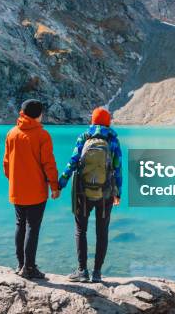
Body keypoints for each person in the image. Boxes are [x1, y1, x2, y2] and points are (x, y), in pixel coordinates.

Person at [58, 107, 122, 283]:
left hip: (82, 192)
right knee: (102, 232)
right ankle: (97, 273)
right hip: (106, 192)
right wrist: (118, 193)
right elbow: (117, 168)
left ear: (93, 121)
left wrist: (61, 183)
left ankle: (82, 271)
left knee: (81, 230)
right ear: (108, 122)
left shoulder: (84, 137)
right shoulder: (113, 140)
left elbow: (72, 162)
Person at [3, 99, 60, 279]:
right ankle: (29, 268)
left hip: (17, 190)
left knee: (20, 225)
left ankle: (20, 264)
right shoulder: (42, 135)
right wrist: (54, 186)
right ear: (38, 115)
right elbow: (48, 164)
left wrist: (14, 180)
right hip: (36, 192)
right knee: (32, 227)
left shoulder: (11, 133)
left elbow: (6, 163)